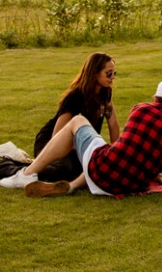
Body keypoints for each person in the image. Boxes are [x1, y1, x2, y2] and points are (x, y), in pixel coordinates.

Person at [0, 80, 162, 198]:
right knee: (110, 156)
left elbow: (128, 143)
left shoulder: (141, 108)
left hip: (104, 169)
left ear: (155, 98)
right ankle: (72, 186)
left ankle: (26, 174)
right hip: (130, 185)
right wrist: (160, 177)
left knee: (78, 121)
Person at [32, 52, 123, 181]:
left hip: (77, 146)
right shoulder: (75, 97)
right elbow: (56, 135)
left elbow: (113, 124)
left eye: (114, 73)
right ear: (94, 73)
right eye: (109, 73)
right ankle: (22, 169)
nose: (113, 77)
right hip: (51, 142)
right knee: (63, 172)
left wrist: (116, 155)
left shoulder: (105, 92)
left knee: (92, 169)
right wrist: (85, 148)